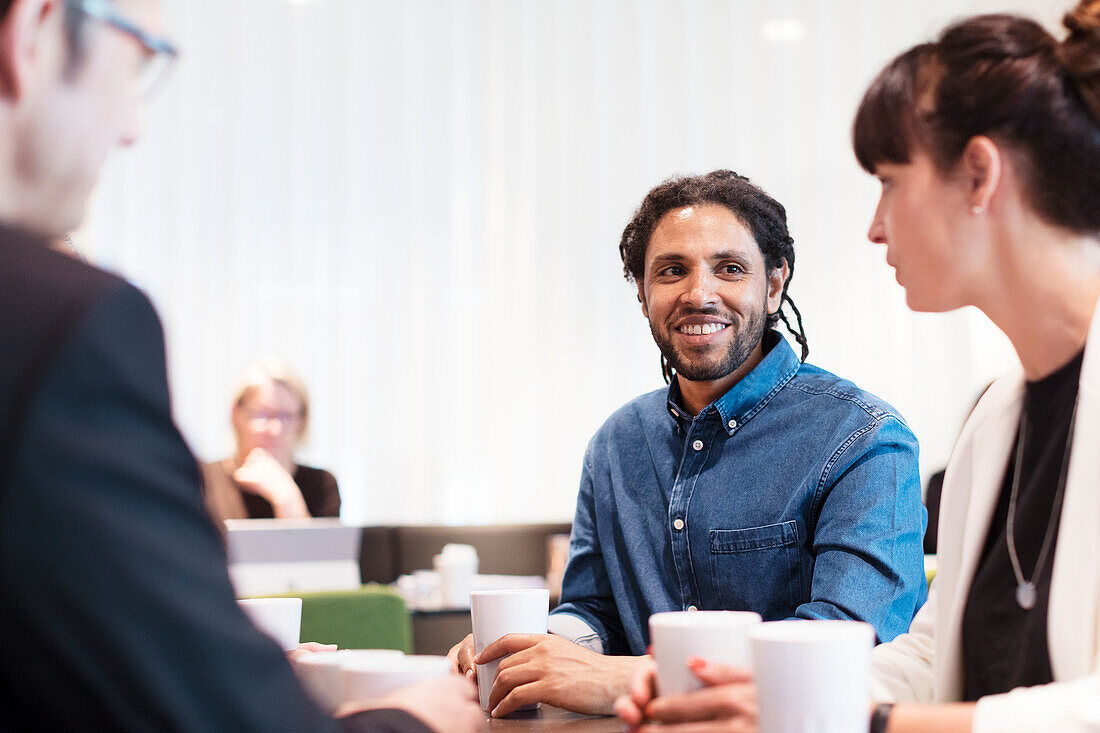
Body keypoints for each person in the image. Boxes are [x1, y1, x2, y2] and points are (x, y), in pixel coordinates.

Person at [616, 3, 1100, 731]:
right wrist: (748, 688)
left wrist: (864, 720)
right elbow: (937, 656)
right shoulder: (999, 421)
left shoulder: (869, 431)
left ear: (978, 175)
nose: (875, 225)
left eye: (889, 180)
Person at [0, 1, 481, 730]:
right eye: (137, 60)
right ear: (32, 31)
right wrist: (419, 718)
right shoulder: (65, 323)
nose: (131, 127)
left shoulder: (315, 484)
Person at [451, 170, 928, 717]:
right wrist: (528, 648)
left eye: (729, 269)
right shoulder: (615, 445)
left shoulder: (864, 438)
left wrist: (632, 677)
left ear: (773, 286)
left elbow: (851, 643)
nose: (698, 294)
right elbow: (595, 611)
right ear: (642, 292)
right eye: (672, 271)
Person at [203, 357, 341, 523]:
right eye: (262, 414)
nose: (275, 430)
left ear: (302, 420)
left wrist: (286, 497)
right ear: (236, 413)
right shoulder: (204, 480)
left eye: (286, 416)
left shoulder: (321, 484)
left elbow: (314, 549)